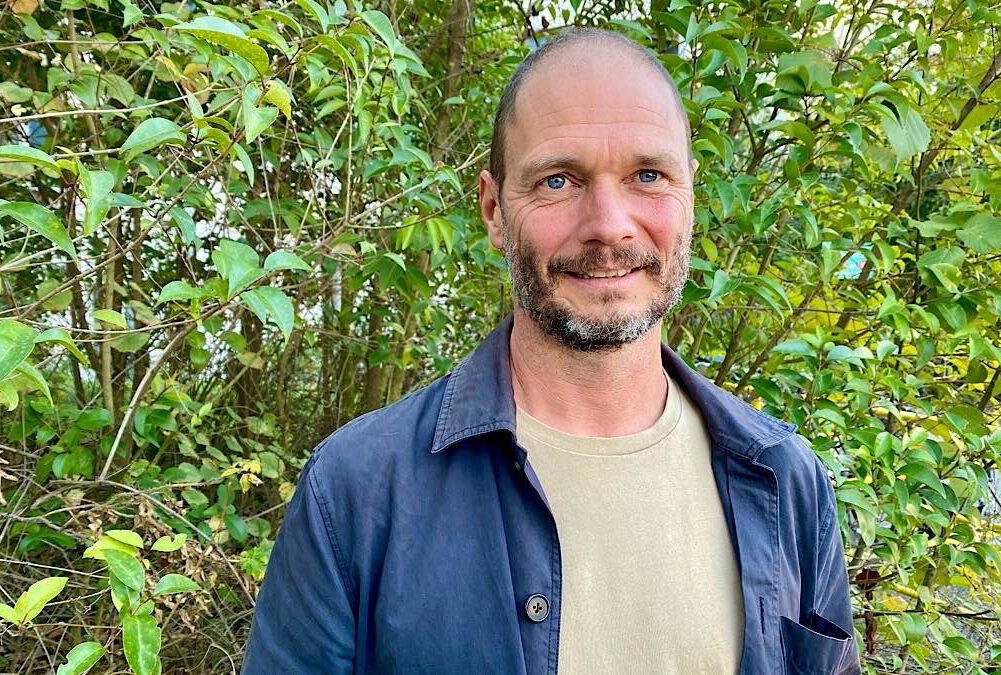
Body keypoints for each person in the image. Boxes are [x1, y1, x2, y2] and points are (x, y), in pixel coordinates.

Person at [243, 28, 860, 674]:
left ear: (690, 195)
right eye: (558, 181)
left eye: (648, 175)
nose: (608, 225)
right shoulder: (355, 494)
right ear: (493, 210)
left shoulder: (787, 483)